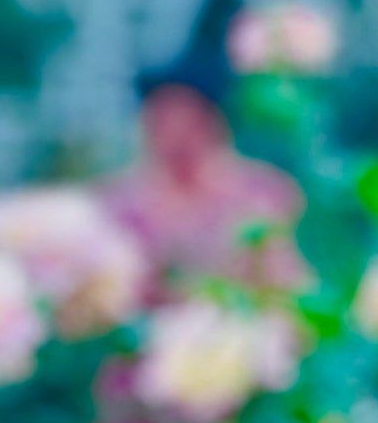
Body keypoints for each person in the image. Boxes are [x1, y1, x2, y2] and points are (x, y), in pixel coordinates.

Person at [102, 75, 309, 290]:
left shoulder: (262, 191)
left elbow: (286, 274)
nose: (175, 136)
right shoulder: (122, 204)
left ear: (211, 123)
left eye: (187, 123)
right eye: (163, 123)